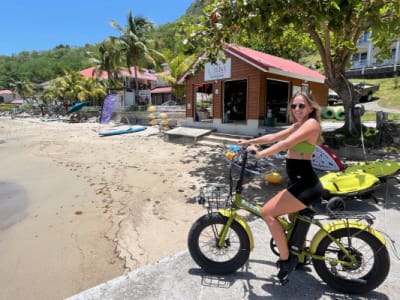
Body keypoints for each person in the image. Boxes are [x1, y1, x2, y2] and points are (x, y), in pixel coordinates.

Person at [238, 92, 324, 284]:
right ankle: (299, 256)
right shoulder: (297, 125)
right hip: (298, 181)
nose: (297, 110)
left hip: (306, 184)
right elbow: (274, 136)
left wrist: (259, 156)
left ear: (311, 108)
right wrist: (249, 142)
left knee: (267, 212)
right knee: (294, 220)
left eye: (301, 106)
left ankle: (286, 261)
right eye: (294, 106)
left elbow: (285, 143)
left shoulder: (311, 124)